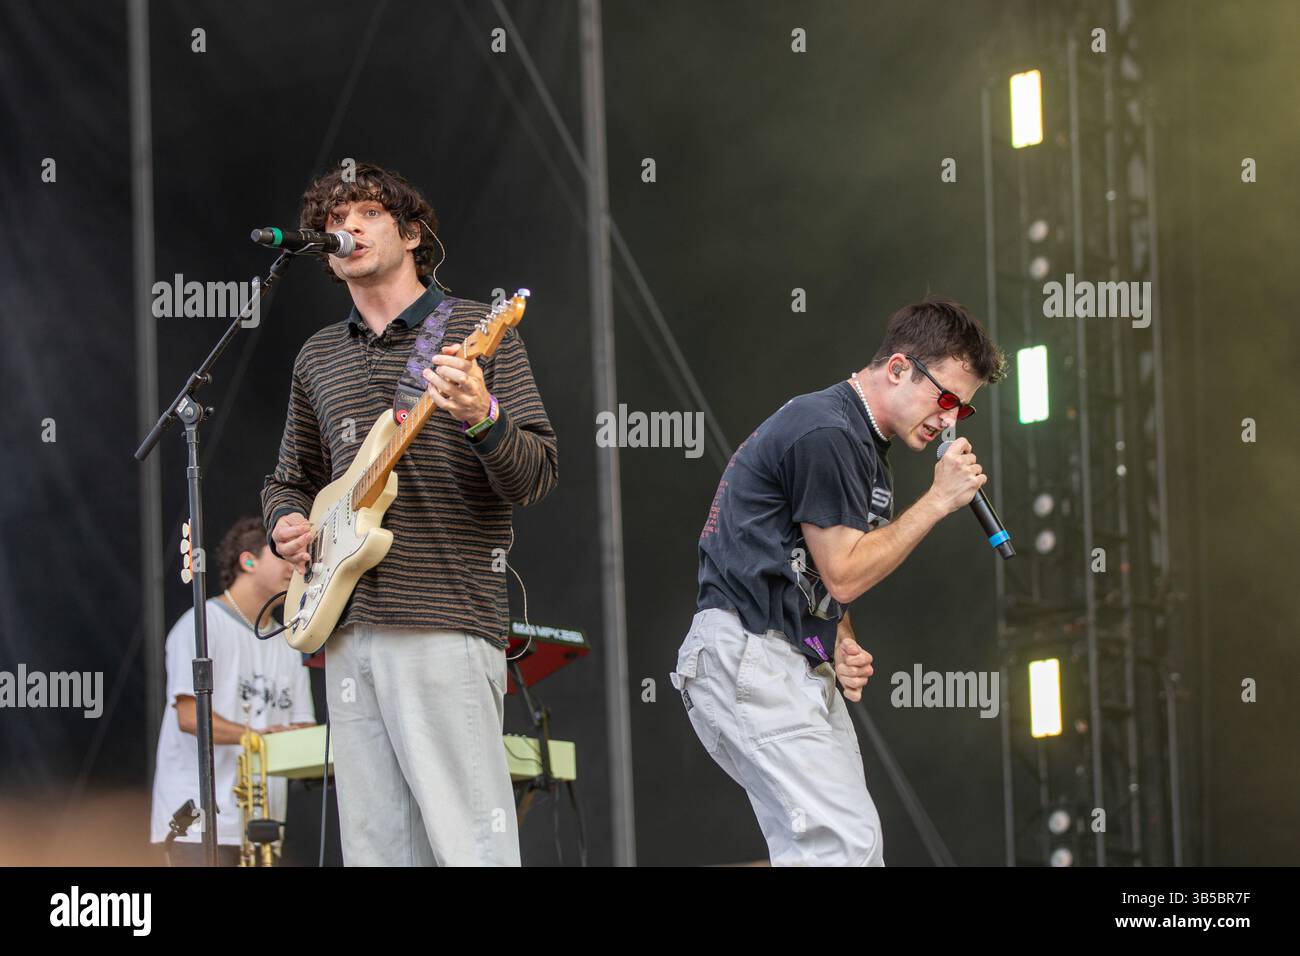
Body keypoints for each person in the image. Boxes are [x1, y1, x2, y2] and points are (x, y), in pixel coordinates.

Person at [261, 162, 558, 866]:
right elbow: (288, 480)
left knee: (470, 844)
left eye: (365, 213)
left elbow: (539, 472)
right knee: (377, 849)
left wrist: (482, 417)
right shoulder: (318, 357)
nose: (347, 229)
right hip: (345, 628)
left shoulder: (471, 333)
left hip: (443, 617)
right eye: (334, 222)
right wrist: (286, 524)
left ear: (413, 231)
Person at [674, 296, 1006, 865]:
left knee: (846, 850)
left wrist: (841, 637)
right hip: (749, 652)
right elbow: (846, 573)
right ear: (900, 367)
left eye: (963, 411)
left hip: (787, 659)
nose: (949, 419)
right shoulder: (827, 429)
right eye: (946, 398)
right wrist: (937, 502)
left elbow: (820, 575)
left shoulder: (861, 446)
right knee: (842, 846)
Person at [151, 516, 316, 866]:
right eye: (284, 556)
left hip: (262, 827)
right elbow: (189, 716)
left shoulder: (289, 640)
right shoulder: (202, 623)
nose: (295, 567)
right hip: (196, 822)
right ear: (248, 560)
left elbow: (301, 726)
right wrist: (257, 737)